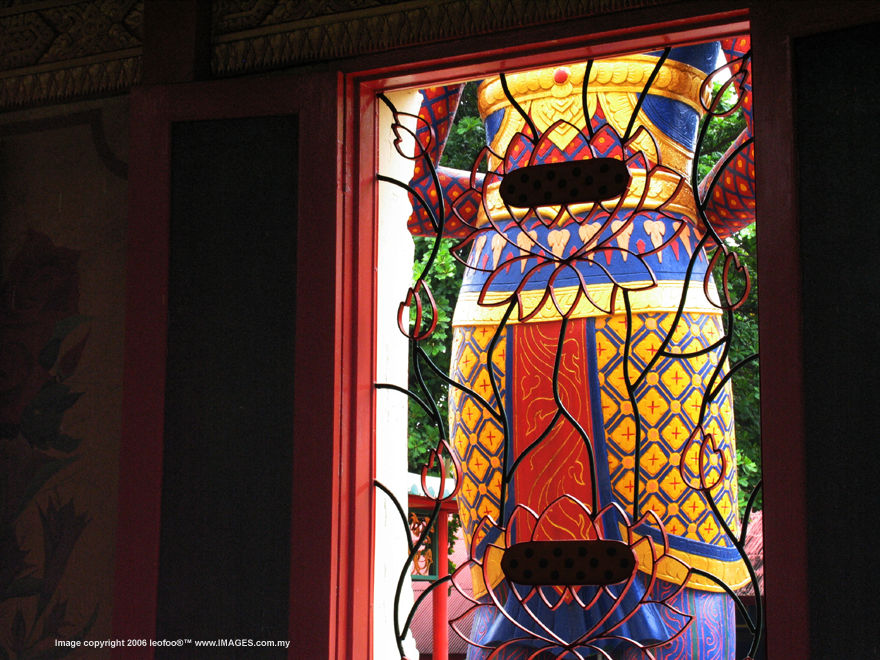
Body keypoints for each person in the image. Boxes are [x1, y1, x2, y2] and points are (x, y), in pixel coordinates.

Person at [402, 36, 756, 659]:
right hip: (529, 321)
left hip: (635, 322)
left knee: (668, 571)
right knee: (518, 575)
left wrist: (672, 200)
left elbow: (781, 138)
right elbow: (414, 188)